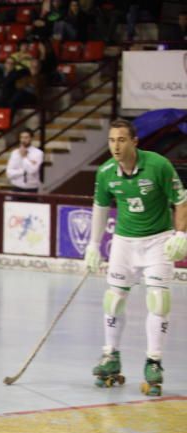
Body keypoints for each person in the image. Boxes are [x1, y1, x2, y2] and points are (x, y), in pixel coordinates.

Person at [84, 119, 187, 396]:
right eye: (111, 140)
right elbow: (100, 207)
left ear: (135, 142)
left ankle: (154, 361)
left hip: (158, 241)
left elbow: (181, 199)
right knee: (114, 299)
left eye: (121, 140)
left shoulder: (158, 165)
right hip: (124, 242)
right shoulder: (105, 172)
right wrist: (93, 244)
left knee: (158, 300)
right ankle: (110, 356)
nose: (115, 146)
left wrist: (181, 234)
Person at [6, 128, 44, 193]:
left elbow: (32, 170)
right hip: (17, 187)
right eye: (22, 137)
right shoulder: (15, 153)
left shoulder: (38, 153)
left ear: (31, 138)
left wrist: (24, 157)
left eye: (26, 137)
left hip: (31, 189)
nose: (23, 140)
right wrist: (24, 172)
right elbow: (9, 173)